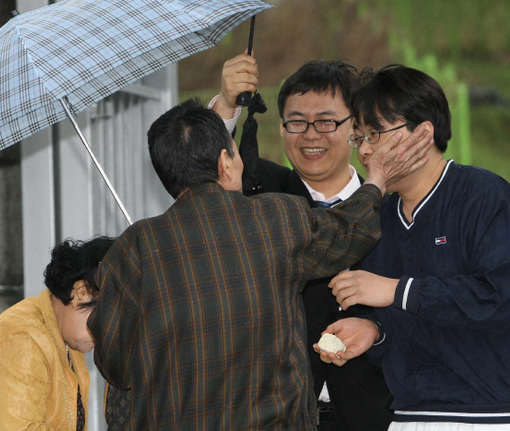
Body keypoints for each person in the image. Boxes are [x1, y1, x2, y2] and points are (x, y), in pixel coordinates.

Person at [87, 97, 432, 430]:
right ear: (225, 161)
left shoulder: (132, 249)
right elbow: (351, 232)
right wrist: (377, 179)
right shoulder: (276, 217)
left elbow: (115, 364)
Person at [316, 64, 510, 428]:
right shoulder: (377, 218)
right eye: (359, 138)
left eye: (375, 134)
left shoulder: (485, 196)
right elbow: (405, 318)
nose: (365, 150)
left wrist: (396, 290)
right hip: (414, 412)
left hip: (504, 414)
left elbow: (500, 298)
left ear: (423, 133)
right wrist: (373, 332)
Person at [211, 54, 413, 430]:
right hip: (274, 416)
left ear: (356, 126)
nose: (310, 134)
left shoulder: (394, 205)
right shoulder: (257, 196)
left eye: (326, 121)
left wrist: (378, 331)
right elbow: (203, 175)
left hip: (377, 414)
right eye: (297, 122)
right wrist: (225, 104)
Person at [0, 236, 114, 431]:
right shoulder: (25, 340)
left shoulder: (67, 337)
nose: (110, 333)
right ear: (81, 292)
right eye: (108, 318)